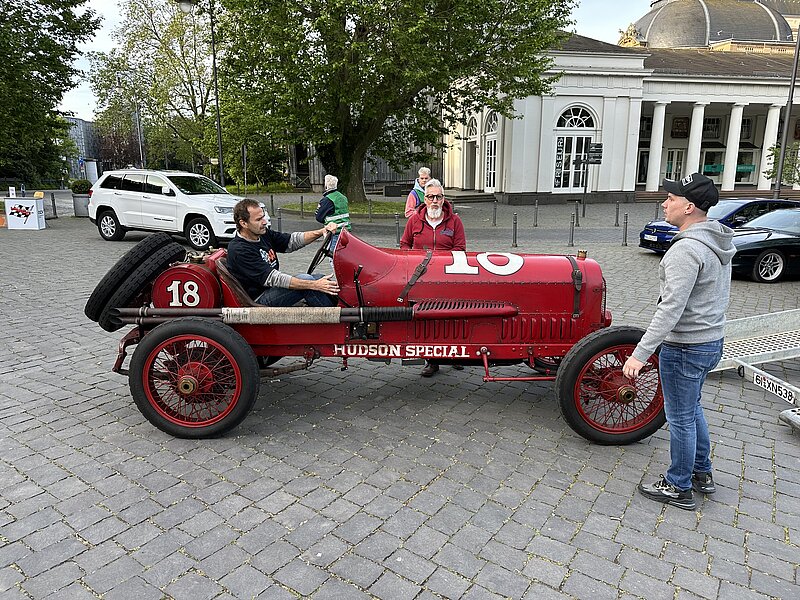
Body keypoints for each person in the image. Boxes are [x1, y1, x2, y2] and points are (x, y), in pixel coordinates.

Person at [622, 173, 734, 511]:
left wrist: (640, 354)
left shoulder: (686, 250)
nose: (664, 203)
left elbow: (671, 308)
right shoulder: (716, 240)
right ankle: (702, 472)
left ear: (689, 207)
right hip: (711, 341)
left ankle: (678, 485)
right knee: (692, 408)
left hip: (686, 346)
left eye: (671, 198)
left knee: (681, 417)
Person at [400, 178, 467, 377]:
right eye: (430, 197)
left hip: (448, 278)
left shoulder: (455, 221)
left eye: (438, 197)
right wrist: (413, 262)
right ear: (425, 199)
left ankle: (456, 355)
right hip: (422, 279)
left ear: (443, 198)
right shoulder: (414, 220)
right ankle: (432, 361)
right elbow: (404, 245)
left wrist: (443, 263)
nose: (435, 201)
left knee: (452, 317)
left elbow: (460, 248)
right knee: (427, 320)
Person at [227, 198, 340, 307]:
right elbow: (274, 278)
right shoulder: (239, 249)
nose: (264, 222)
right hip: (257, 300)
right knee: (308, 281)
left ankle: (341, 307)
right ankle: (334, 317)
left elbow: (291, 241)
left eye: (263, 217)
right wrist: (315, 285)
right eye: (258, 219)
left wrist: (322, 231)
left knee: (320, 277)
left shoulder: (262, 234)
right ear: (244, 223)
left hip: (271, 289)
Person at [315, 174, 351, 261]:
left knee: (334, 259)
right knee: (344, 258)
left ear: (326, 186)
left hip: (334, 233)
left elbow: (319, 217)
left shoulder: (327, 200)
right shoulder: (343, 197)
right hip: (346, 233)